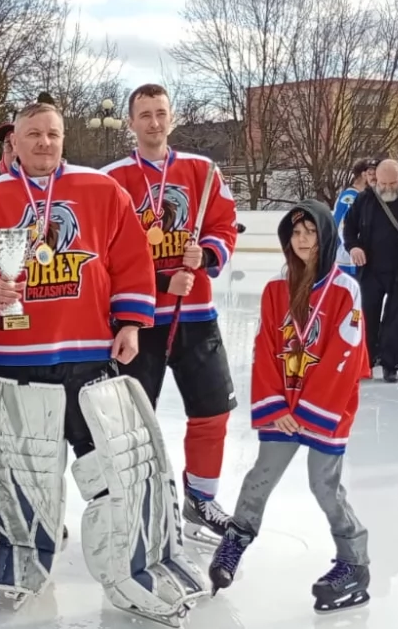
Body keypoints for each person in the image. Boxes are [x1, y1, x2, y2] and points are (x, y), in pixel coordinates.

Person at [0, 100, 207, 625]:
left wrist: (129, 323)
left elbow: (131, 257)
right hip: (11, 361)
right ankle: (19, 565)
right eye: (32, 134)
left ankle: (131, 565)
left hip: (88, 359)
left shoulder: (101, 191)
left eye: (52, 134)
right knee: (17, 472)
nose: (43, 143)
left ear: (64, 138)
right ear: (13, 142)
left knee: (111, 468)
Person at [209, 199, 371, 614]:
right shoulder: (275, 290)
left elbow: (345, 354)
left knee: (324, 485)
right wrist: (275, 405)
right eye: (295, 234)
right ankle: (236, 542)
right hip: (283, 405)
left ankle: (354, 562)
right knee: (261, 475)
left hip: (325, 405)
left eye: (310, 233)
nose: (302, 241)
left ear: (325, 237)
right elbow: (264, 348)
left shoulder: (343, 290)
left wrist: (310, 411)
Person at [102, 83, 239, 546]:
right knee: (136, 421)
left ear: (172, 117)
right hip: (139, 320)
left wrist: (207, 255)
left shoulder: (202, 170)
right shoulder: (113, 178)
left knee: (213, 408)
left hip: (196, 314)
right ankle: (140, 504)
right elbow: (106, 252)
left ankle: (201, 500)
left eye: (161, 113)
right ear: (131, 122)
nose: (154, 122)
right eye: (144, 114)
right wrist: (159, 283)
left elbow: (223, 225)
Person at [334, 158, 398, 372]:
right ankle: (367, 358)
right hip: (370, 269)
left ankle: (390, 364)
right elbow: (349, 229)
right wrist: (353, 247)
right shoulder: (365, 199)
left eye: (391, 184)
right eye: (382, 183)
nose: (386, 188)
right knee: (368, 316)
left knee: (397, 319)